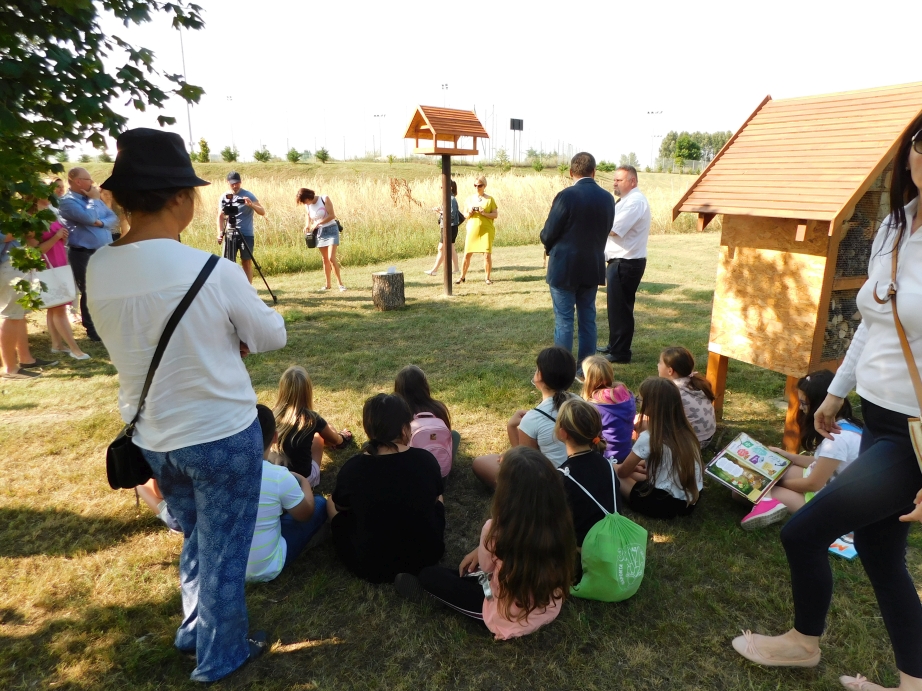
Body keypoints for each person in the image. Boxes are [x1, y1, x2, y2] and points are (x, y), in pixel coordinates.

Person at [88, 128, 287, 683]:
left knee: (197, 534)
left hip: (153, 435)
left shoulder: (98, 267)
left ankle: (194, 627)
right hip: (220, 432)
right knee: (225, 548)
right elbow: (270, 335)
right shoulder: (212, 270)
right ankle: (220, 655)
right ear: (179, 197)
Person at [733, 121, 922, 691]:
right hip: (879, 416)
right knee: (880, 553)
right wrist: (837, 391)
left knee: (804, 531)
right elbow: (873, 322)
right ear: (910, 152)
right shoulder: (896, 224)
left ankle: (802, 644)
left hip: (914, 437)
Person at [395, 446, 576, 640]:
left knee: (430, 575)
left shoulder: (495, 529)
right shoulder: (561, 523)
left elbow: (487, 566)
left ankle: (433, 597)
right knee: (467, 574)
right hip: (546, 605)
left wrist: (483, 549)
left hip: (505, 613)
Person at [328, 393, 445, 584]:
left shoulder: (353, 468)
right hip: (426, 556)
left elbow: (342, 507)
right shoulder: (426, 460)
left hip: (370, 565)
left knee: (331, 502)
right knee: (438, 496)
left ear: (368, 430)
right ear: (405, 428)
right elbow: (434, 499)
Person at [740, 370, 862, 530]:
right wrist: (787, 456)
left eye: (804, 403)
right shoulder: (847, 425)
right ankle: (768, 498)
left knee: (747, 489)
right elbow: (824, 463)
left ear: (820, 404)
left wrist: (775, 482)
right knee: (756, 477)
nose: (801, 407)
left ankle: (769, 503)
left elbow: (813, 484)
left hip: (831, 504)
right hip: (828, 486)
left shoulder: (837, 439)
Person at [539, 153, 616, 373]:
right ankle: (586, 369)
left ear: (571, 172)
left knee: (564, 320)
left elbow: (549, 232)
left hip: (564, 266)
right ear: (594, 172)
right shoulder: (607, 198)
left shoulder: (566, 196)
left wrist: (547, 243)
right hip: (592, 265)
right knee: (588, 319)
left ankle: (562, 370)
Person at [472, 346, 576, 488]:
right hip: (583, 478)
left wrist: (511, 427)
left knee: (482, 462)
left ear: (540, 375)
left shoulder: (533, 418)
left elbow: (527, 466)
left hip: (552, 489)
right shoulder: (582, 404)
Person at [247, 405, 329, 583]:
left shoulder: (219, 473)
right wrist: (304, 482)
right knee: (320, 503)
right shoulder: (279, 476)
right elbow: (305, 514)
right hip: (265, 568)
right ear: (275, 437)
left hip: (227, 566)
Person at [616, 377, 703, 519]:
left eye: (640, 400)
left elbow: (623, 472)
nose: (639, 403)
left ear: (651, 405)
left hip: (664, 503)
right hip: (690, 498)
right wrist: (638, 466)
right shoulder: (685, 430)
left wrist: (623, 467)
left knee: (613, 471)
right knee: (635, 470)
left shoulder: (649, 437)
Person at [58, 167, 120, 341]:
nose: (92, 183)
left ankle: (106, 324)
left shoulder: (93, 198)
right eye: (88, 179)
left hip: (103, 251)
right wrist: (93, 202)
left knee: (105, 288)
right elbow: (89, 218)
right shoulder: (68, 202)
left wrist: (100, 223)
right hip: (83, 253)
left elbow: (113, 218)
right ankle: (92, 330)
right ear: (78, 181)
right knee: (89, 291)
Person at [598, 165, 651, 364]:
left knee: (621, 308)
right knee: (616, 307)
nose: (615, 183)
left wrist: (593, 223)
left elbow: (614, 229)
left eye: (619, 180)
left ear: (632, 181)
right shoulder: (627, 200)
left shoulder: (635, 202)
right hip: (621, 261)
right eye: (614, 180)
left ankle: (620, 352)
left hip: (626, 262)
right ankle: (614, 345)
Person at [271, 365, 353, 488]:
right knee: (318, 437)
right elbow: (335, 440)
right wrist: (342, 437)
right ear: (307, 391)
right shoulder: (311, 419)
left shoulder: (272, 414)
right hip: (301, 481)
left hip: (274, 479)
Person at [555, 398, 619, 546]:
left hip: (584, 548)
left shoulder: (563, 475)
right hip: (611, 539)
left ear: (563, 433)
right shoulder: (606, 463)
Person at [35, 198, 89, 359]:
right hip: (47, 266)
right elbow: (36, 250)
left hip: (59, 263)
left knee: (54, 306)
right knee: (59, 308)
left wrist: (62, 237)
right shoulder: (32, 220)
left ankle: (57, 344)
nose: (49, 195)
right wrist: (56, 237)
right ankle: (75, 349)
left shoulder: (50, 213)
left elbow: (58, 237)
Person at [1, 230, 57, 380]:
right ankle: (10, 369)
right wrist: (23, 229)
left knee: (19, 314)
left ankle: (26, 359)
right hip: (8, 265)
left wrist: (31, 231)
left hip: (18, 263)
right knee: (11, 315)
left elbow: (32, 241)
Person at [394, 364, 461, 467]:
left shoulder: (398, 411)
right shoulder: (438, 407)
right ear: (424, 386)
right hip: (441, 469)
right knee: (454, 435)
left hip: (411, 470)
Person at [657, 347, 716, 448]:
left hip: (691, 443)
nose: (657, 365)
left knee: (646, 424)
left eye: (660, 362)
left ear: (670, 371)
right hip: (708, 436)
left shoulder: (671, 391)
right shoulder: (694, 382)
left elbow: (660, 420)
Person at [581, 355, 635, 462]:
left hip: (607, 457)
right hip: (627, 452)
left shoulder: (594, 406)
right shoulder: (627, 395)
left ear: (589, 379)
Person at [217, 171, 266, 284]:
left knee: (246, 262)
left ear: (240, 182)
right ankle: (231, 287)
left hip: (246, 234)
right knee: (229, 263)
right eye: (232, 184)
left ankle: (248, 289)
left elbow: (262, 212)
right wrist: (220, 232)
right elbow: (220, 216)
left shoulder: (248, 195)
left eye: (237, 183)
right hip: (230, 233)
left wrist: (251, 205)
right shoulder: (224, 197)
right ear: (228, 182)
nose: (235, 186)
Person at [296, 188, 345, 292]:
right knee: (325, 259)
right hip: (319, 232)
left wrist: (318, 223)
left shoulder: (324, 198)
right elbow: (308, 215)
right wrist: (307, 225)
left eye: (304, 200)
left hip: (331, 229)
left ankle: (340, 284)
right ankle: (328, 285)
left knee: (331, 258)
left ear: (308, 197)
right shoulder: (307, 205)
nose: (304, 203)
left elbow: (332, 215)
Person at [457, 175, 498, 285]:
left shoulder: (490, 199)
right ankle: (462, 276)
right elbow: (465, 215)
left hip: (486, 230)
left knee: (487, 254)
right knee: (467, 253)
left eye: (479, 185)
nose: (477, 188)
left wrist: (484, 213)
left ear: (484, 186)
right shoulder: (469, 199)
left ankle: (487, 278)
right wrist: (470, 213)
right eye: (475, 185)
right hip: (472, 229)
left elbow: (495, 215)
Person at [425, 179, 461, 276]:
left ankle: (434, 270)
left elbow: (451, 214)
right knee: (451, 247)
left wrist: (440, 212)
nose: (441, 188)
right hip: (450, 226)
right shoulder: (448, 198)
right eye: (441, 186)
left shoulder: (451, 199)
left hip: (449, 227)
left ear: (450, 187)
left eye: (443, 186)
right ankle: (456, 269)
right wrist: (441, 210)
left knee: (441, 248)